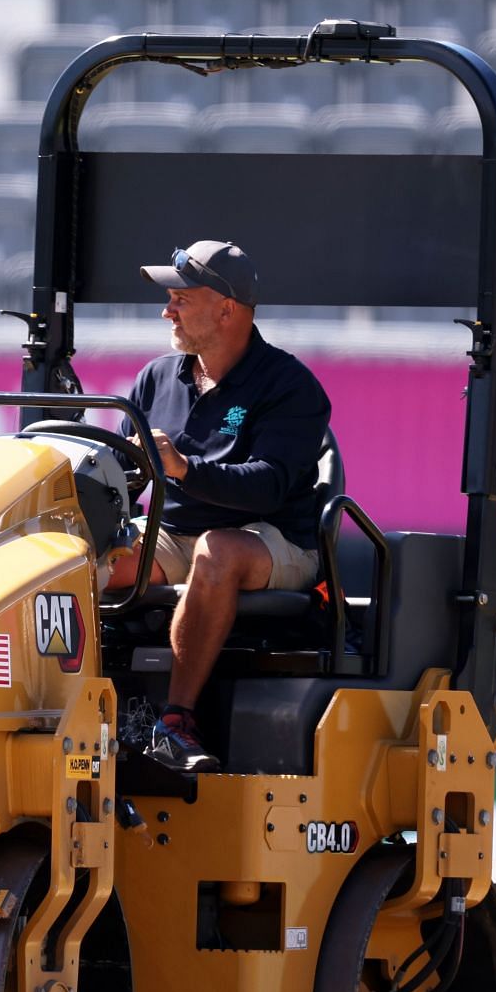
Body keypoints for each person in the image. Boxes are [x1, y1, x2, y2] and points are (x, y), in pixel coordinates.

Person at [106, 240, 331, 773]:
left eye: (181, 298)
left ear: (226, 310)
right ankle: (72, 710)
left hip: (272, 538)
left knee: (216, 552)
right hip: (175, 531)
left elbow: (268, 488)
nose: (168, 311)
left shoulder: (291, 386)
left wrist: (182, 467)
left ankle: (175, 722)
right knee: (82, 560)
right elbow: (122, 477)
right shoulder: (157, 377)